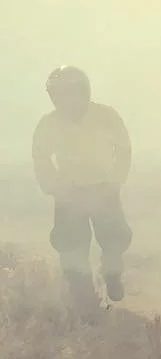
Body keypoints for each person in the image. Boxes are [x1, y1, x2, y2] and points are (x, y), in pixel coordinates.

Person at [32, 66, 133, 312]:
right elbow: (40, 157)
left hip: (104, 189)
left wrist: (116, 181)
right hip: (69, 194)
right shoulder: (49, 123)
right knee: (71, 248)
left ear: (84, 92)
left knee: (114, 241)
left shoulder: (106, 116)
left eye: (72, 93)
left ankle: (112, 274)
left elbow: (123, 149)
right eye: (60, 95)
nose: (67, 100)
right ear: (53, 97)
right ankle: (85, 302)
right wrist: (54, 187)